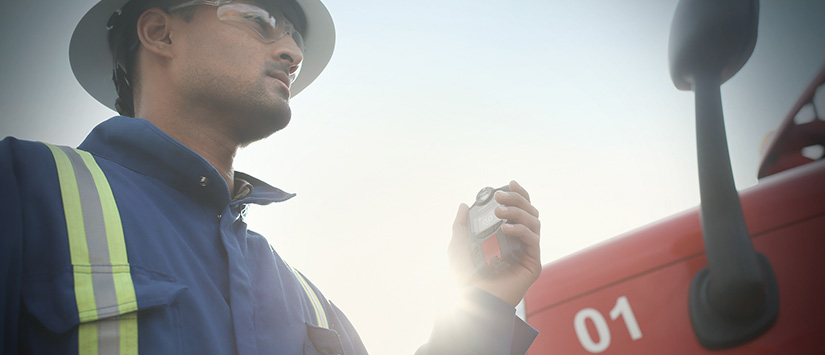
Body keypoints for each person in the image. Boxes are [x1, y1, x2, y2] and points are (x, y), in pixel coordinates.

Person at [0, 0, 543, 353]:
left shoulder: (311, 304)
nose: (290, 51)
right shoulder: (24, 189)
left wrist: (483, 302)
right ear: (160, 32)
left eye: (294, 43)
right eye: (260, 19)